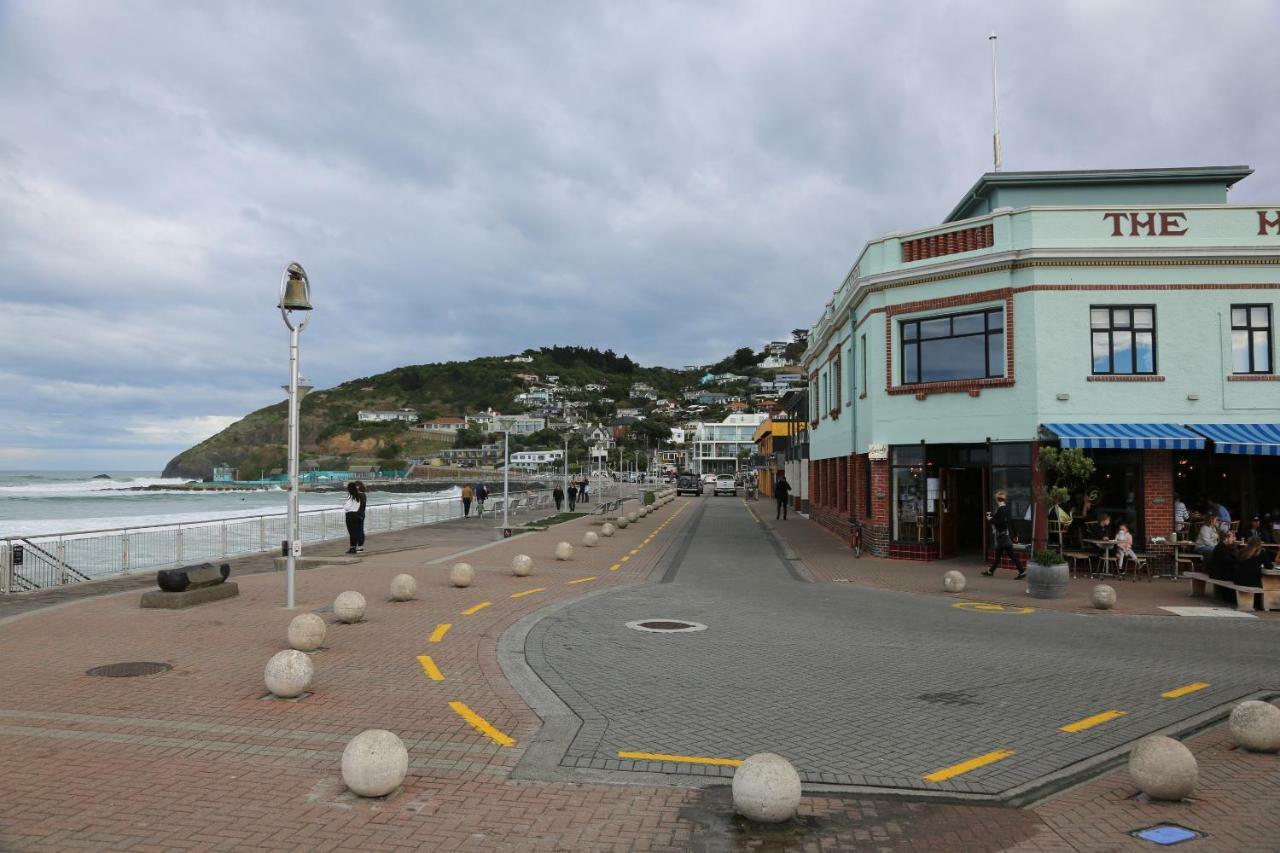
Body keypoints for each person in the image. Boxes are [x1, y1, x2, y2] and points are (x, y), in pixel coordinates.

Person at [983, 490, 1024, 579]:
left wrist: (990, 519)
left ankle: (1021, 571)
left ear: (997, 500)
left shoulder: (1000, 510)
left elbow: (999, 522)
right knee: (1005, 555)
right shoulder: (1007, 509)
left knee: (1004, 555)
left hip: (1002, 536)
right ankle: (1021, 571)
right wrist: (1015, 534)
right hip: (1007, 535)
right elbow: (1011, 522)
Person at [343, 480, 367, 554]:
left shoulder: (357, 495)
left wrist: (359, 515)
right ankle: (355, 547)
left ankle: (357, 547)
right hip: (356, 515)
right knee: (356, 532)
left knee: (356, 532)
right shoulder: (358, 495)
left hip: (354, 515)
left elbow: (348, 507)